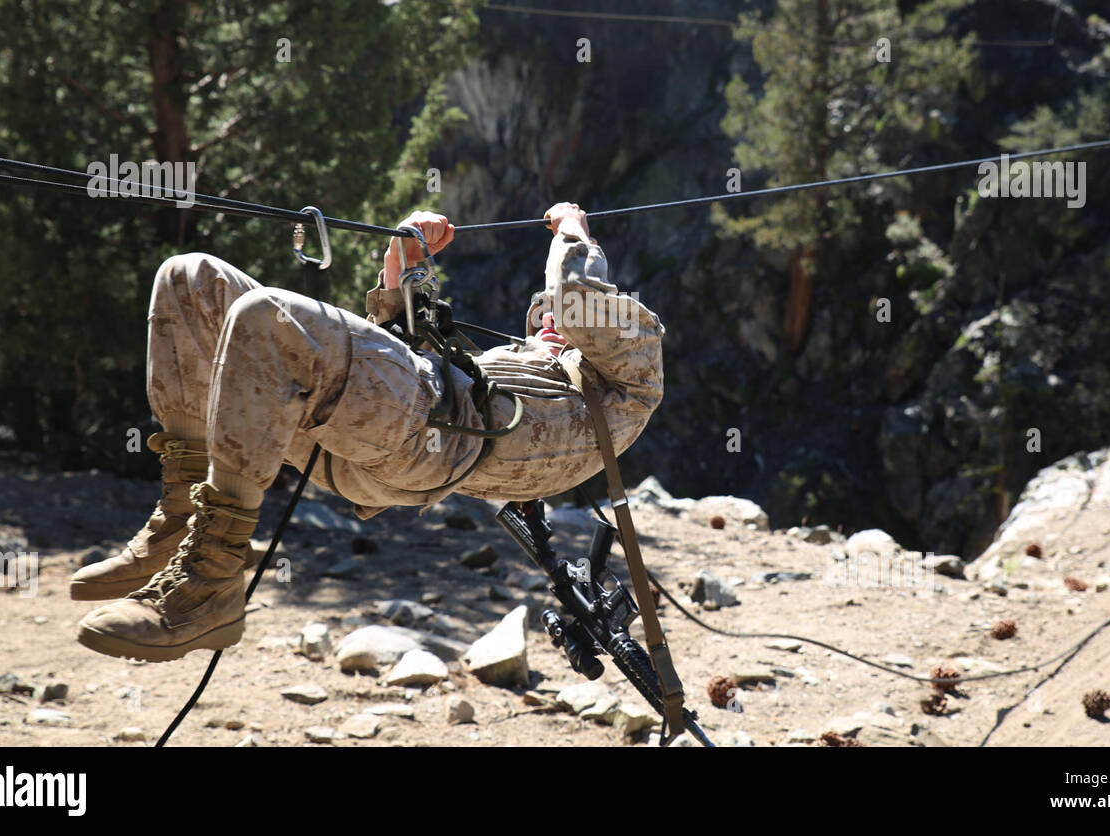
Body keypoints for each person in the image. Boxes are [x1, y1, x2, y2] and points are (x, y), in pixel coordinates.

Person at [71, 202, 665, 662]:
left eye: (556, 314)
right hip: (383, 435)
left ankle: (213, 582)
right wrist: (399, 268)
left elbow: (579, 294)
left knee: (265, 319)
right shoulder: (520, 367)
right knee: (188, 278)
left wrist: (573, 232)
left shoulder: (631, 380)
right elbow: (397, 370)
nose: (550, 318)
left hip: (425, 443)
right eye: (542, 315)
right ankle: (180, 519)